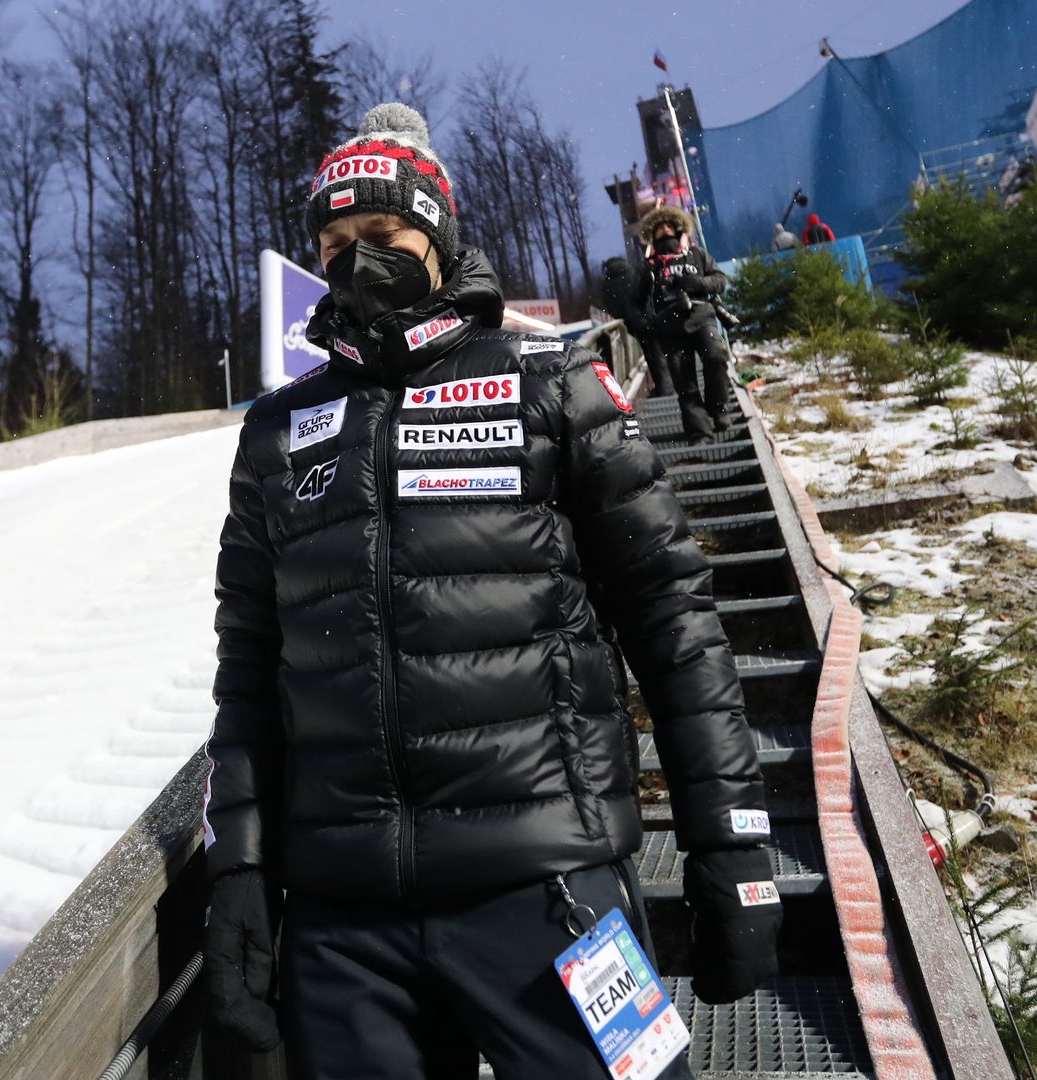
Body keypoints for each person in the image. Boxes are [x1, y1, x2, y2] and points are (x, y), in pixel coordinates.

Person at [202, 102, 779, 1079]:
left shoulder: (550, 388)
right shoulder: (277, 435)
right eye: (334, 243)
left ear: (437, 236)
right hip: (347, 934)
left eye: (381, 237)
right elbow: (249, 676)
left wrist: (729, 843)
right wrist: (241, 880)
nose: (354, 261)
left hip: (554, 896)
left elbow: (674, 623)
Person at [629, 206, 735, 445]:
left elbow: (720, 280)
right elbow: (634, 303)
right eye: (659, 228)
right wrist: (645, 323)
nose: (664, 231)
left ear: (678, 230)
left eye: (669, 226)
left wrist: (696, 282)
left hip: (701, 315)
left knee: (716, 357)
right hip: (669, 327)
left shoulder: (697, 255)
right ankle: (700, 433)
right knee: (684, 382)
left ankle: (719, 408)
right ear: (652, 235)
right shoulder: (649, 267)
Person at [602, 255, 674, 397]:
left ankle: (665, 388)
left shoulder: (607, 284)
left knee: (651, 354)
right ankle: (668, 387)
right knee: (658, 352)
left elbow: (610, 306)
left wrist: (627, 317)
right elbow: (645, 291)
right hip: (648, 316)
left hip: (633, 323)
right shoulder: (633, 272)